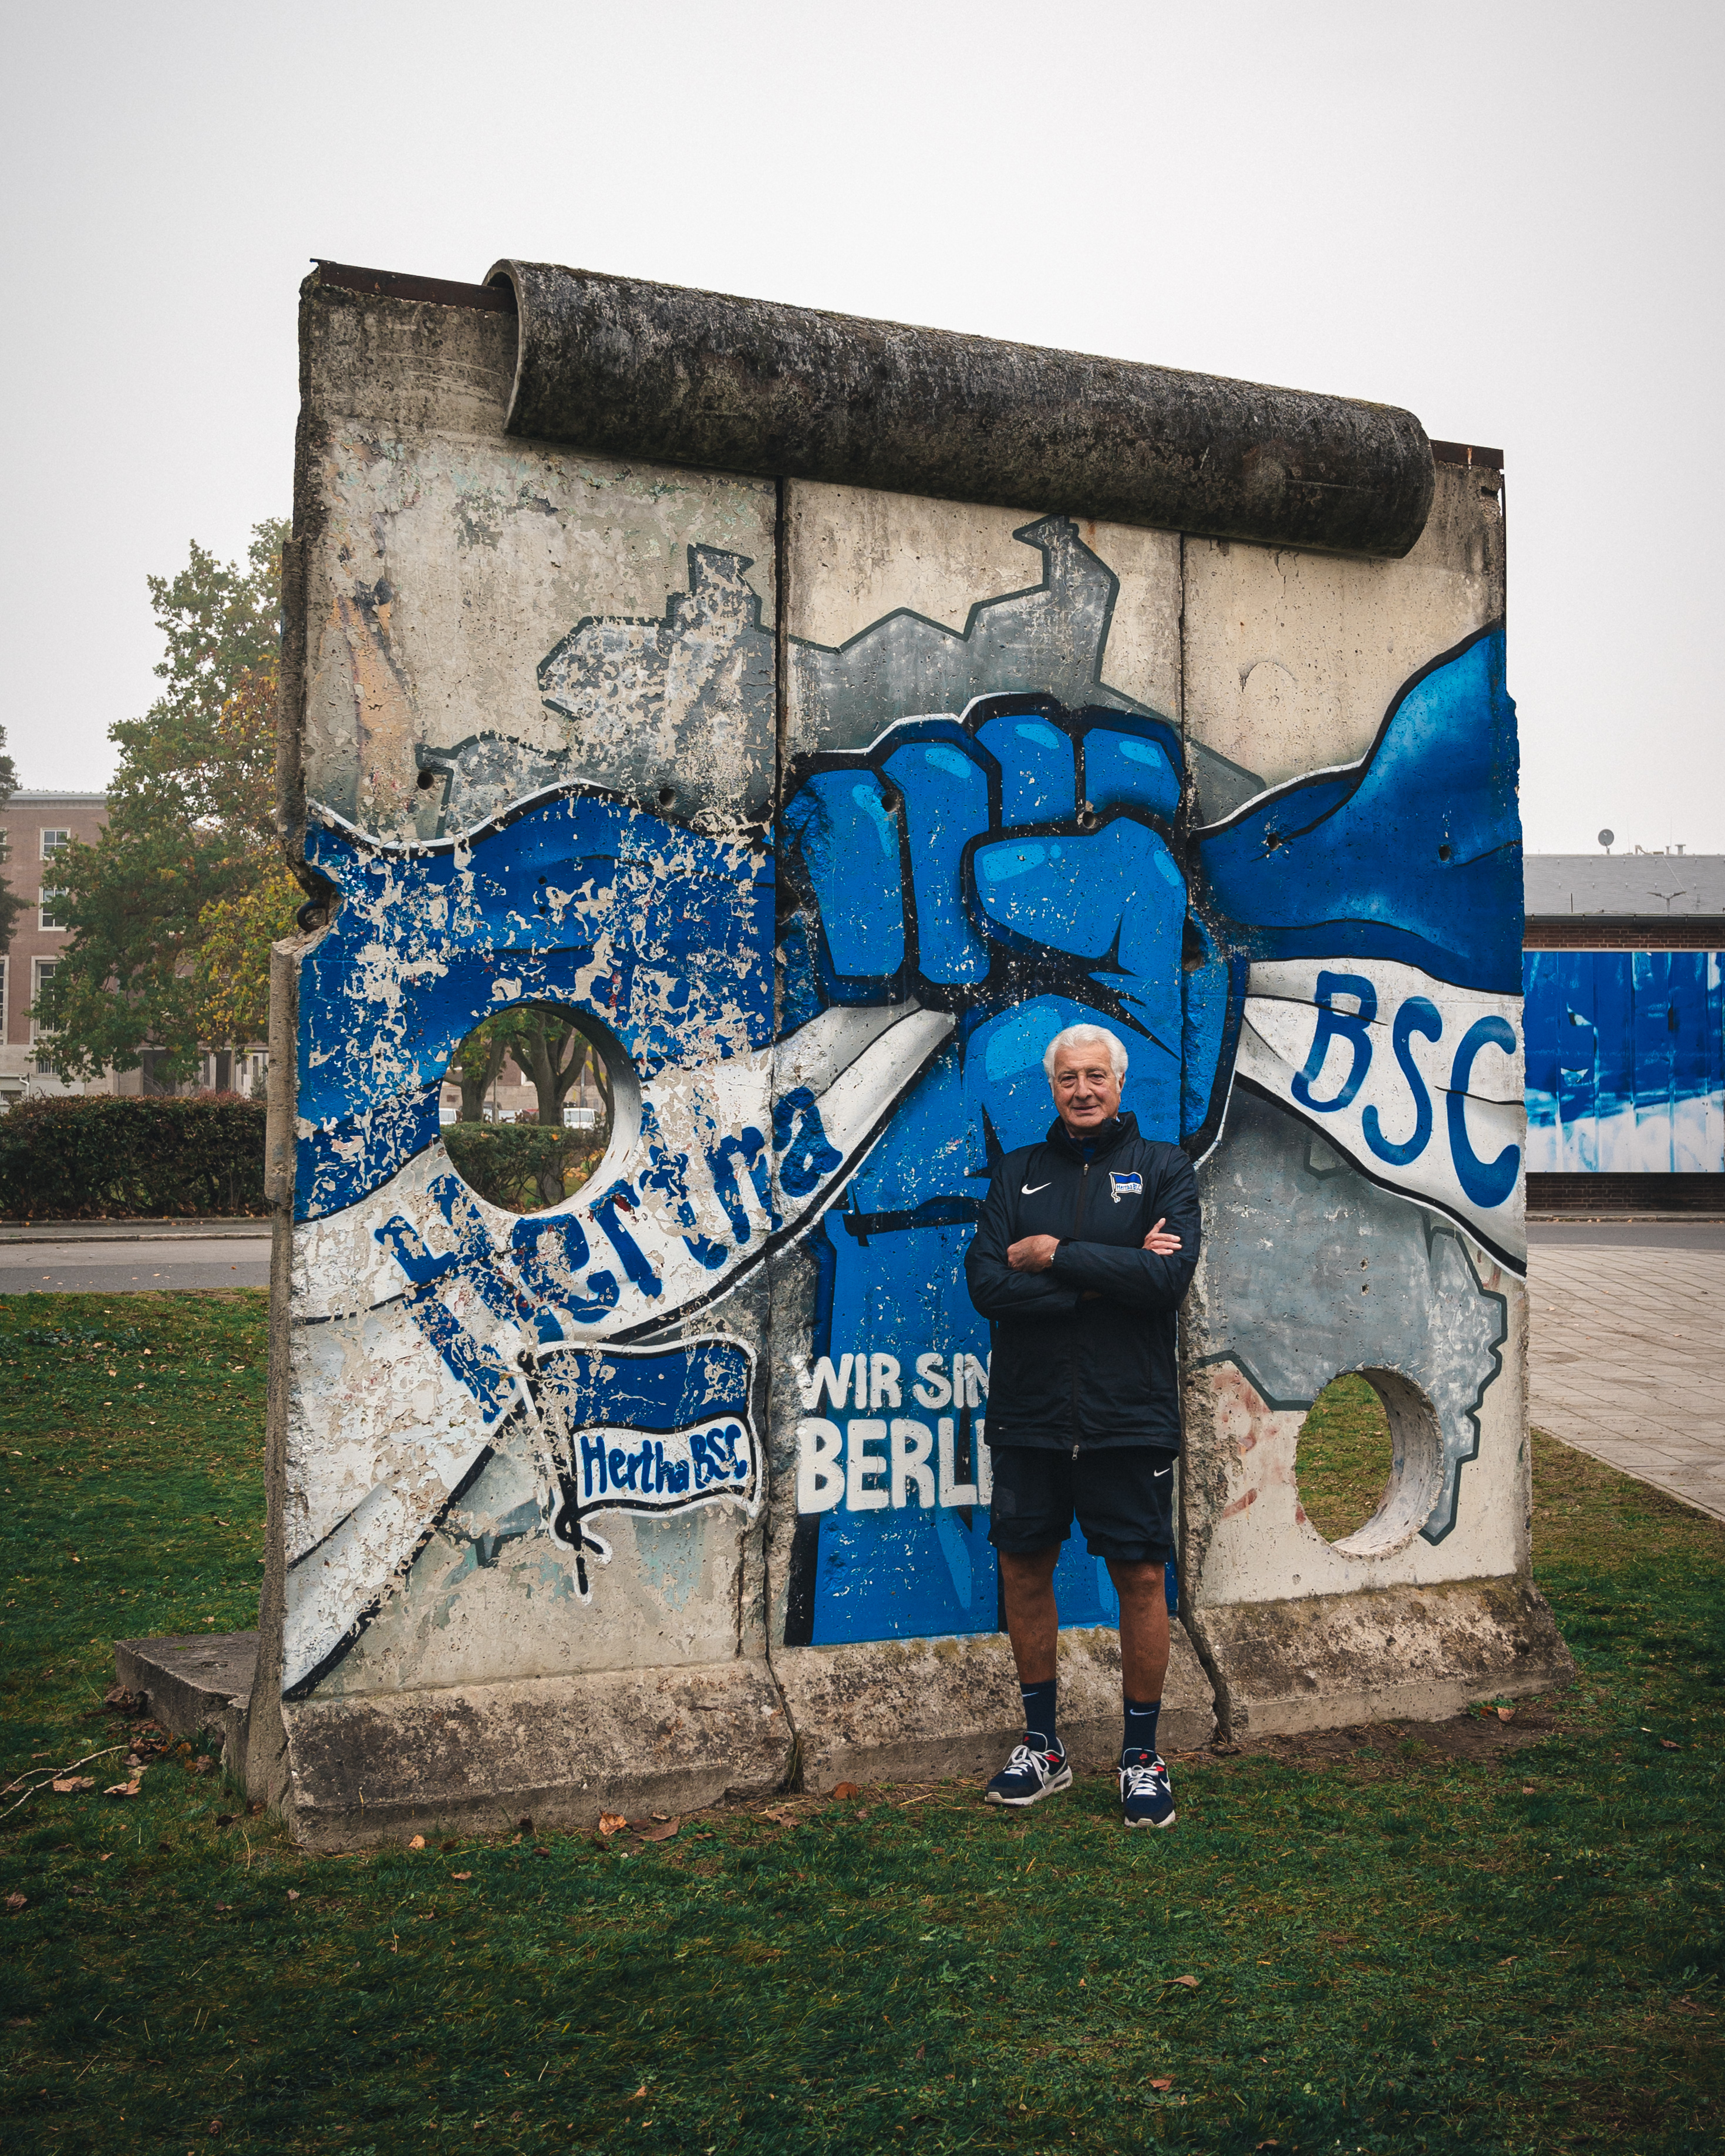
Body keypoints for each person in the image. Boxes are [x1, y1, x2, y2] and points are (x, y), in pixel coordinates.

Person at [963, 1021, 1201, 1828]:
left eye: (1096, 1075)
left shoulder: (1165, 1168)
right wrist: (1107, 1273)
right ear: (1053, 1086)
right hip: (1030, 1414)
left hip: (1127, 1414)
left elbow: (1166, 1277)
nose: (1083, 1089)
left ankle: (1140, 1756)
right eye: (1068, 1078)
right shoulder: (1017, 1172)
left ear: (1119, 1082)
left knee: (1138, 1576)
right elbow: (987, 1287)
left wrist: (1056, 1254)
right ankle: (1043, 1746)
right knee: (1024, 1568)